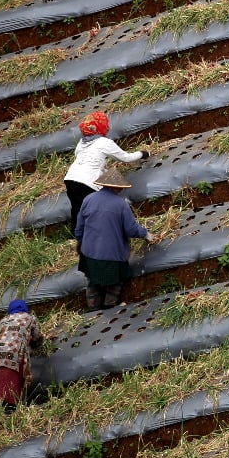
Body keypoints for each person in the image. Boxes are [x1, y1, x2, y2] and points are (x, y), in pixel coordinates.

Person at [74, 167, 154, 311]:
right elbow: (131, 229)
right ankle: (110, 306)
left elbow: (80, 226)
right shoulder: (121, 204)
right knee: (116, 281)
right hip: (112, 254)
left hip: (89, 251)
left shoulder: (89, 199)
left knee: (93, 281)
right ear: (116, 187)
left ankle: (93, 310)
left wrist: (79, 241)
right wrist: (145, 234)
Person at [64, 110, 149, 233]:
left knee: (77, 208)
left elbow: (89, 162)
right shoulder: (104, 143)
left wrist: (105, 171)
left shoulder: (81, 143)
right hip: (86, 182)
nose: (107, 126)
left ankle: (77, 236)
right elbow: (126, 158)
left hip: (70, 179)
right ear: (100, 127)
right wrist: (143, 153)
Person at [0, 299, 43, 412]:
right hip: (8, 354)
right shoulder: (29, 318)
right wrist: (36, 344)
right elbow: (37, 337)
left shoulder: (4, 320)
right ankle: (9, 413)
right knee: (8, 398)